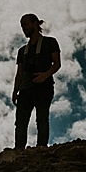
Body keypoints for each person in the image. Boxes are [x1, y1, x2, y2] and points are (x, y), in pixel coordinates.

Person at [11, 14, 61, 150]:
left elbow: (57, 64)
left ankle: (41, 148)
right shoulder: (22, 51)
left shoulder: (50, 42)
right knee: (21, 122)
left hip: (44, 87)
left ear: (35, 24)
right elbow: (19, 73)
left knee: (42, 119)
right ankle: (19, 150)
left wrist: (45, 75)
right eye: (22, 26)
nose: (24, 28)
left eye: (26, 24)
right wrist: (15, 91)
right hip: (25, 89)